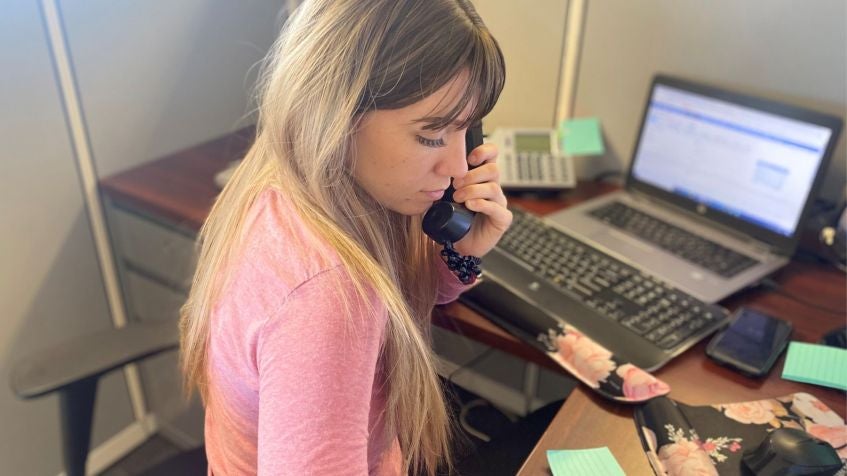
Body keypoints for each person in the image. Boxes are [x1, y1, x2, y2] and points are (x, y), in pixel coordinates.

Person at [178, 0, 508, 474]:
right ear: (337, 113)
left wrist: (458, 249)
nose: (458, 167)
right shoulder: (331, 292)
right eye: (433, 134)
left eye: (467, 130)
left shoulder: (288, 183)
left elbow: (404, 299)